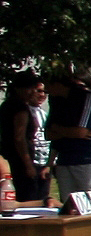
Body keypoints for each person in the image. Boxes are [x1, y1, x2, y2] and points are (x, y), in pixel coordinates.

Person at [45, 69, 91, 211]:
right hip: (64, 160)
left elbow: (82, 132)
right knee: (69, 205)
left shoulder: (88, 99)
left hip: (86, 159)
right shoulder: (57, 101)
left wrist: (62, 130)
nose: (46, 90)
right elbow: (49, 134)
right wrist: (69, 132)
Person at [2, 75, 49, 209]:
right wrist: (28, 164)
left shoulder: (7, 105)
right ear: (19, 89)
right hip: (19, 161)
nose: (34, 93)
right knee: (29, 198)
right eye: (31, 89)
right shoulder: (20, 108)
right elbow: (19, 137)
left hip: (10, 157)